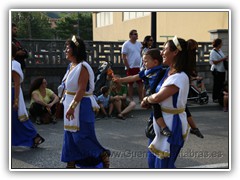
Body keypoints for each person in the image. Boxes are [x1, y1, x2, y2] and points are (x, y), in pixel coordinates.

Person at [141, 36, 198, 168]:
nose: (161, 53)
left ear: (175, 52)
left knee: (163, 166)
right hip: (159, 123)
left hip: (173, 124)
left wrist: (146, 99)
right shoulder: (167, 72)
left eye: (164, 49)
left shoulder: (180, 77)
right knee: (153, 164)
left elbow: (157, 97)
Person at [61, 35, 110, 168]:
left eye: (68, 48)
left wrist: (72, 107)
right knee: (70, 135)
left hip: (81, 105)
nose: (65, 51)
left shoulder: (83, 66)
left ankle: (101, 154)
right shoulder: (71, 66)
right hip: (70, 102)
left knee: (81, 136)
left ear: (75, 50)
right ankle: (71, 162)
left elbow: (82, 89)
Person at [12, 43, 45, 148]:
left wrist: (16, 101)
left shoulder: (14, 64)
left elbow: (16, 84)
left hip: (12, 93)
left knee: (17, 118)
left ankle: (35, 136)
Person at [121, 29, 143, 102]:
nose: (136, 35)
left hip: (139, 67)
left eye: (136, 34)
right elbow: (124, 56)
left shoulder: (139, 44)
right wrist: (127, 67)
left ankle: (141, 98)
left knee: (140, 83)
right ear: (130, 35)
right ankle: (130, 98)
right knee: (130, 84)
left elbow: (142, 54)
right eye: (134, 34)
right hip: (131, 67)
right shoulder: (126, 44)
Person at [209, 38, 228, 103]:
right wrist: (223, 59)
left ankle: (220, 97)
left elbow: (222, 58)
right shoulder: (213, 52)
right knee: (217, 84)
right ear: (218, 44)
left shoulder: (219, 50)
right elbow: (214, 62)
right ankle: (215, 97)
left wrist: (225, 58)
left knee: (221, 84)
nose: (222, 44)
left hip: (222, 70)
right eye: (221, 43)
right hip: (217, 70)